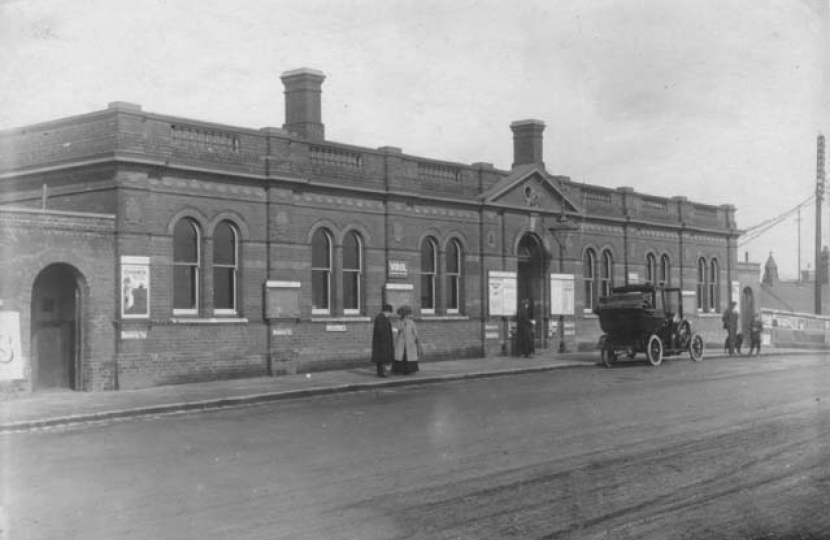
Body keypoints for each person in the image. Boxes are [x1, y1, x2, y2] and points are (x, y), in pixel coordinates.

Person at [392, 306, 421, 375]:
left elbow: (415, 333)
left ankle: (409, 370)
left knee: (408, 356)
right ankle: (399, 370)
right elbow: (396, 330)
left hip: (409, 343)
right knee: (400, 356)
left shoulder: (411, 322)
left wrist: (414, 341)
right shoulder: (398, 322)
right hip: (400, 343)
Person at [371, 304, 395, 378]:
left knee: (381, 357)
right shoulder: (381, 318)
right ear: (387, 311)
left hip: (383, 341)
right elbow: (380, 330)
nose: (390, 314)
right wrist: (385, 339)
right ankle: (381, 373)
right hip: (381, 342)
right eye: (390, 313)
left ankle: (381, 372)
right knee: (381, 357)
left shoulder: (384, 318)